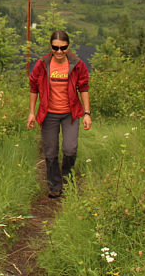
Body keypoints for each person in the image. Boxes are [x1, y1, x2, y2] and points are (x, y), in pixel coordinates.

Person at [27, 30, 91, 198]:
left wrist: (87, 113)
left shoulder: (77, 64)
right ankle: (55, 186)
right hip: (49, 114)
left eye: (63, 48)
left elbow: (83, 88)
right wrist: (31, 113)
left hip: (70, 113)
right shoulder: (43, 65)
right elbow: (33, 88)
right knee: (51, 152)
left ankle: (66, 175)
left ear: (68, 46)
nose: (59, 52)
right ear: (51, 47)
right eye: (56, 48)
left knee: (70, 149)